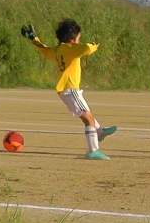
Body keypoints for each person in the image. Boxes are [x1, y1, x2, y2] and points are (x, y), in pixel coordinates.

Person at [21, 19, 116, 160]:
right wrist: (94, 45)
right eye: (78, 37)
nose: (79, 40)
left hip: (68, 91)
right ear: (72, 39)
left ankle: (100, 132)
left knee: (88, 116)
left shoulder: (57, 50)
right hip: (70, 90)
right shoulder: (71, 48)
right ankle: (93, 151)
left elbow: (43, 48)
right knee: (88, 119)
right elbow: (87, 49)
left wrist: (33, 37)